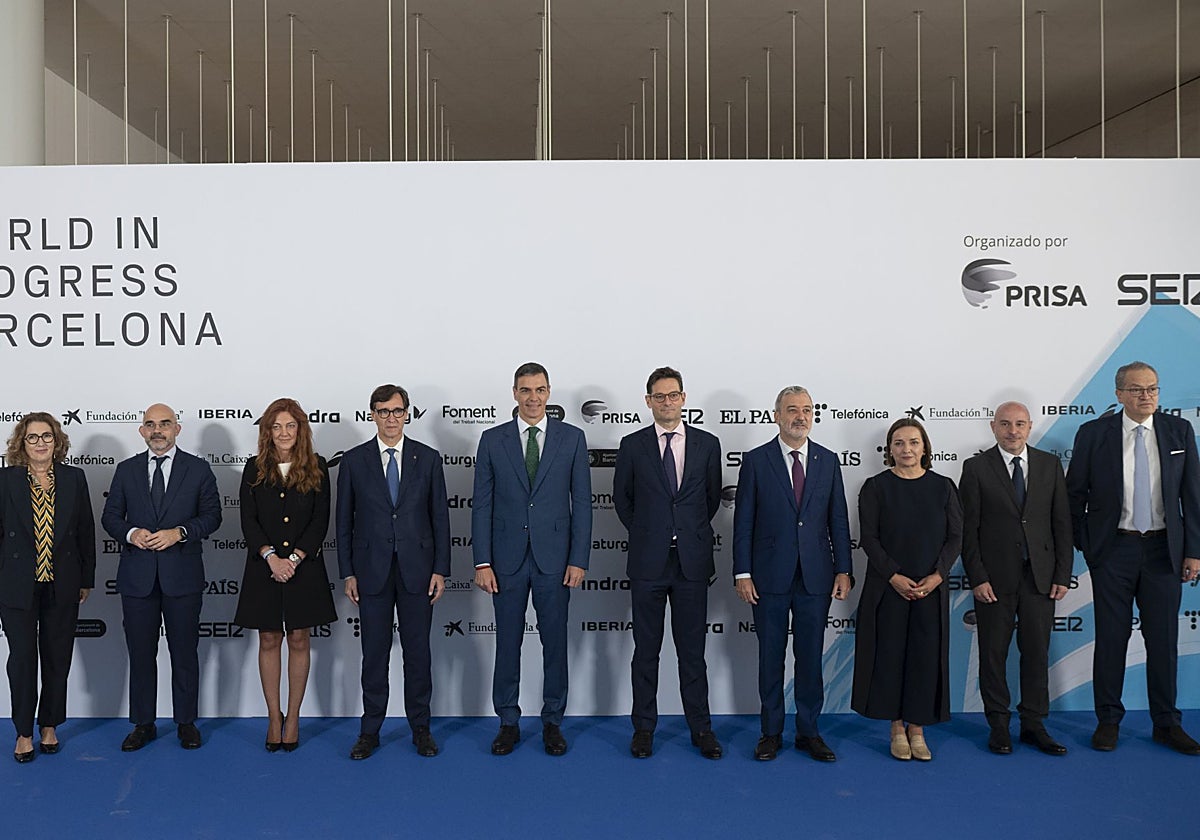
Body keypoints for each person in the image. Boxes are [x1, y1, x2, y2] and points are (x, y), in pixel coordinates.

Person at [1066, 361, 1200, 755]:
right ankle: (1108, 720)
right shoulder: (1093, 434)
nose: (1147, 396)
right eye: (1138, 389)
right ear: (1119, 394)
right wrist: (1088, 545)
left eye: (1153, 388)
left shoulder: (1179, 431)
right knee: (1111, 639)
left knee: (1163, 640)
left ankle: (1166, 723)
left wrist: (1194, 551)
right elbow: (1074, 495)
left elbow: (1192, 496)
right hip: (1113, 551)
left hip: (1164, 552)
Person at [473, 362, 592, 757]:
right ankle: (508, 721)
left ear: (549, 392)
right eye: (525, 390)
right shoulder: (492, 440)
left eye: (540, 390)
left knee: (554, 644)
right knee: (507, 644)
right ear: (514, 393)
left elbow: (583, 504)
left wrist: (578, 559)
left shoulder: (572, 439)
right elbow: (481, 505)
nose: (533, 397)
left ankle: (552, 721)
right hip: (505, 561)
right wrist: (482, 561)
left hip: (555, 561)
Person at [733, 386, 852, 762]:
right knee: (770, 657)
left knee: (810, 657)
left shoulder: (828, 460)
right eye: (792, 410)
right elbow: (743, 521)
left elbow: (838, 519)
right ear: (776, 416)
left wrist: (844, 569)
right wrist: (742, 572)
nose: (801, 416)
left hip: (815, 576)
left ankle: (808, 732)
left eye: (807, 409)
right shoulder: (756, 460)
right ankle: (770, 732)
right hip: (767, 576)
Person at [614, 367, 722, 760]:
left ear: (683, 398)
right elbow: (622, 500)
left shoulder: (708, 444)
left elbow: (711, 499)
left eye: (673, 395)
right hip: (648, 563)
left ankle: (701, 729)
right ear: (648, 401)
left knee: (693, 654)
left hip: (691, 563)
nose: (667, 402)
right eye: (659, 396)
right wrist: (651, 533)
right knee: (646, 652)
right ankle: (644, 729)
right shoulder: (632, 445)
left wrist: (683, 532)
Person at [338, 384, 450, 760]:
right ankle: (370, 730)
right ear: (372, 414)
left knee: (418, 655)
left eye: (397, 411)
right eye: (383, 411)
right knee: (374, 655)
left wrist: (440, 569)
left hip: (418, 571)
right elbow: (343, 522)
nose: (391, 418)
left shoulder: (428, 458)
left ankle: (421, 729)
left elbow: (440, 518)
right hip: (371, 572)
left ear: (407, 414)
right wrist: (348, 572)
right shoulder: (354, 461)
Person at [102, 403, 222, 751]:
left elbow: (213, 516)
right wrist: (131, 534)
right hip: (137, 577)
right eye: (151, 424)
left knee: (184, 652)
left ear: (177, 429)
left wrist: (180, 532)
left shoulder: (198, 469)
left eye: (165, 424)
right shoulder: (126, 470)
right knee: (141, 654)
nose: (158, 430)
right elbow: (110, 517)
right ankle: (143, 724)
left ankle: (186, 722)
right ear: (142, 430)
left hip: (182, 575)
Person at [960, 401, 1072, 756]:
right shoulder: (976, 468)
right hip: (993, 581)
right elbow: (968, 531)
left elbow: (1062, 524)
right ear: (993, 427)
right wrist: (978, 577)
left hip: (1040, 578)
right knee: (993, 654)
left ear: (1030, 427)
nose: (1013, 431)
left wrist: (1062, 574)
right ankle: (998, 725)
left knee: (1036, 653)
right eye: (1005, 424)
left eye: (1020, 424)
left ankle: (1034, 724)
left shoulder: (1049, 465)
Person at [852, 419, 962, 761]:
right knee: (890, 656)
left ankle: (918, 728)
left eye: (913, 442)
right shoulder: (875, 487)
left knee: (924, 659)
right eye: (898, 443)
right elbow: (869, 538)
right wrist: (894, 576)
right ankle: (897, 728)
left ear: (924, 447)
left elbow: (955, 537)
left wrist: (938, 575)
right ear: (889, 449)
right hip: (888, 589)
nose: (906, 449)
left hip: (930, 588)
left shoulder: (943, 487)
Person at [233, 398, 336, 752]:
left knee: (299, 639)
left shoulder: (318, 466)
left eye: (290, 426)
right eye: (276, 427)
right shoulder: (254, 468)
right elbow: (248, 520)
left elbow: (320, 521)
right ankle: (273, 717)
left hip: (303, 567)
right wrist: (271, 558)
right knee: (268, 639)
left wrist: (292, 558)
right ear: (267, 432)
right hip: (264, 567)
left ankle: (292, 717)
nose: (283, 433)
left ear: (301, 429)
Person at [0, 413, 95, 763]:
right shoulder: (5, 480)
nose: (40, 443)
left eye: (46, 436)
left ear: (57, 441)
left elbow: (85, 530)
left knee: (57, 659)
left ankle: (49, 726)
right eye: (32, 437)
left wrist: (86, 579)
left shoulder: (74, 478)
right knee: (22, 660)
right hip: (16, 584)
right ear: (21, 444)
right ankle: (24, 732)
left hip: (63, 582)